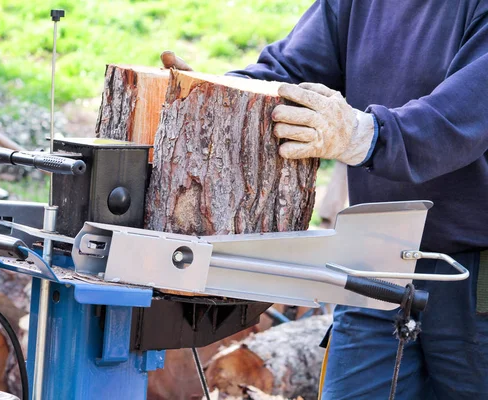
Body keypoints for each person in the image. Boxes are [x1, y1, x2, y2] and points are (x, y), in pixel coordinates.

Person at [163, 1, 488, 398]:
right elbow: (288, 73)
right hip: (376, 262)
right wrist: (222, 92)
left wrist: (360, 134)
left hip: (476, 282)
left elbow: (457, 121)